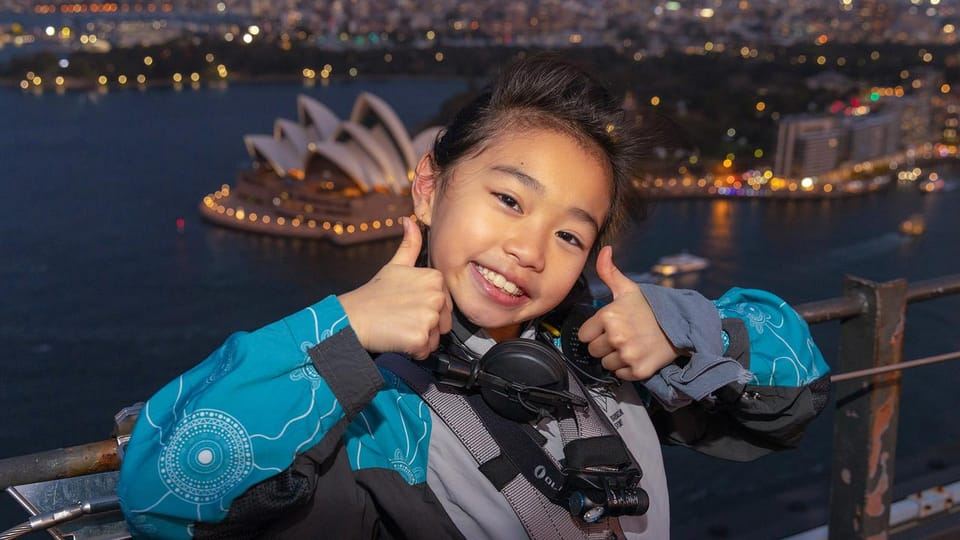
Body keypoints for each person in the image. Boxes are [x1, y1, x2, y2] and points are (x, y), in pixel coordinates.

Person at [117, 54, 831, 539]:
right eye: (509, 200)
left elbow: (799, 385)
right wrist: (341, 329)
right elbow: (163, 492)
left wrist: (678, 330)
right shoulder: (378, 416)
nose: (530, 249)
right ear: (429, 186)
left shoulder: (605, 349)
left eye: (570, 236)